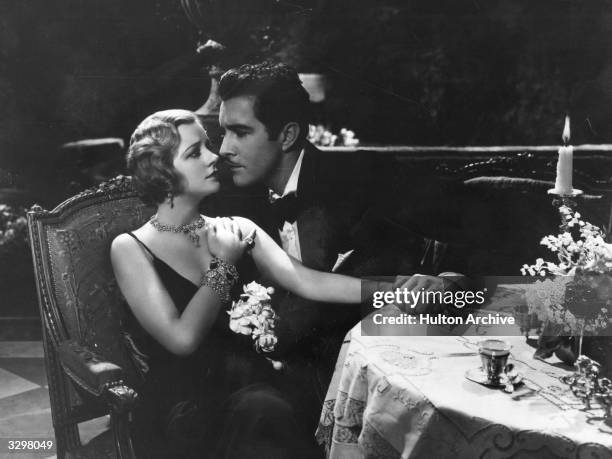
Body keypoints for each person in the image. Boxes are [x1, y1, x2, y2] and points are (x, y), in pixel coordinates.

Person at [111, 109, 386, 458]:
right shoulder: (131, 248)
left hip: (252, 389)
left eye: (208, 146)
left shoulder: (237, 228)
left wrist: (392, 289)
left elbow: (310, 282)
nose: (215, 156)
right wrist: (224, 263)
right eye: (196, 153)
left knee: (283, 403)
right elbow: (182, 340)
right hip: (185, 410)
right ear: (162, 172)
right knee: (265, 411)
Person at [216, 61, 470, 434]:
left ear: (287, 136)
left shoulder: (362, 181)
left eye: (239, 132)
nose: (224, 148)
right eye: (222, 132)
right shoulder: (225, 198)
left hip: (368, 377)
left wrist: (447, 281)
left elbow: (467, 234)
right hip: (279, 380)